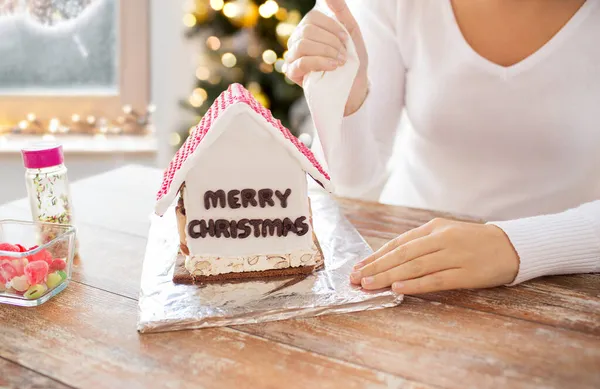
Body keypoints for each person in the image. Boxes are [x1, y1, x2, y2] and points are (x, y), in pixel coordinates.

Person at [283, 0, 600, 294]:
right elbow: (351, 191)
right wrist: (347, 101)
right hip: (402, 267)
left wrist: (513, 245)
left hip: (564, 282)